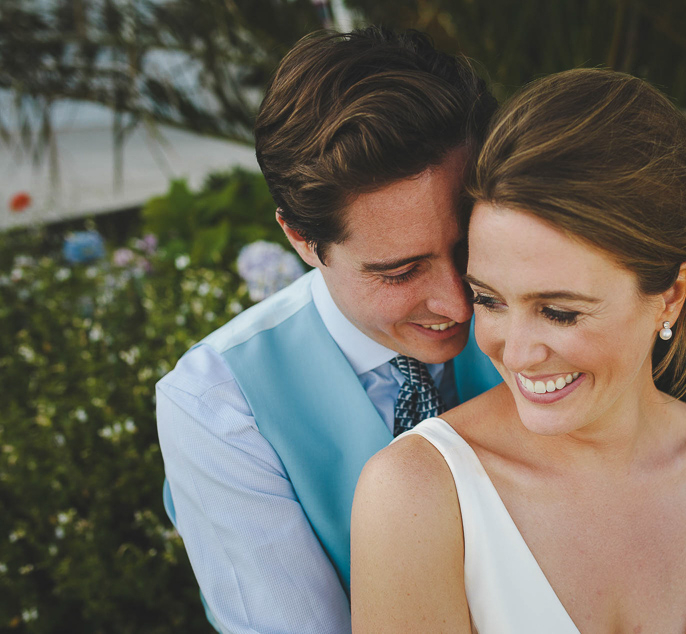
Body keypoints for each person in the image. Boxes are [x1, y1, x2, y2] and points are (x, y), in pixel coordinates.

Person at [351, 69, 686, 633]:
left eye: (559, 311)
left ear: (671, 293)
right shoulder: (417, 495)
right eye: (490, 299)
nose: (518, 353)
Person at [156, 27, 500, 632]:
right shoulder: (218, 404)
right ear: (300, 238)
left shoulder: (549, 305)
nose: (460, 305)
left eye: (468, 246)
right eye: (398, 271)